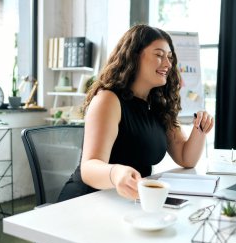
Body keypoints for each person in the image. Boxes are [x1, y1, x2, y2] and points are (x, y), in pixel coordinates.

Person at [57, 24, 214, 202]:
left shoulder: (159, 105)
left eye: (169, 57)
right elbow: (89, 168)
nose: (168, 64)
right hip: (88, 199)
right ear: (134, 56)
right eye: (159, 55)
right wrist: (116, 173)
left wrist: (200, 129)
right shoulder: (108, 100)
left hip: (128, 200)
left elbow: (186, 158)